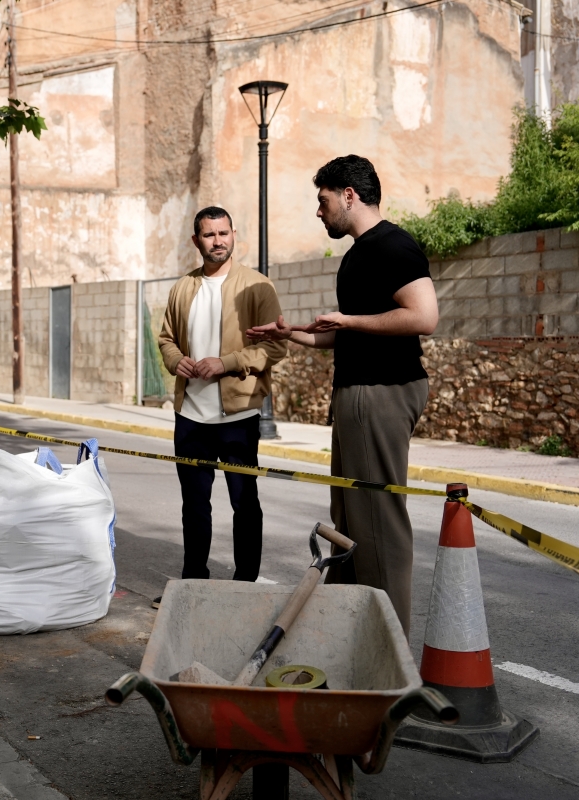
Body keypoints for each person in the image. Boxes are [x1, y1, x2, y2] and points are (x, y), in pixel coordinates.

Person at [246, 155, 438, 637]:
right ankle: (348, 635)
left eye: (323, 200)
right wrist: (291, 333)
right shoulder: (359, 253)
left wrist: (349, 320)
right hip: (358, 394)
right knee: (349, 522)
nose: (319, 211)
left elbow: (424, 316)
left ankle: (387, 646)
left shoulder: (392, 245)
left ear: (349, 195)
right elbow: (345, 334)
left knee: (377, 525)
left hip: (381, 393)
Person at [154, 206, 287, 608]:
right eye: (209, 235)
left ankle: (245, 584)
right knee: (194, 506)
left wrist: (226, 363)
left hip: (238, 416)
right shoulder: (183, 288)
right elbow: (166, 338)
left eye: (224, 233)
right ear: (196, 240)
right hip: (190, 416)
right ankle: (194, 582)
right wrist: (176, 360)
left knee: (244, 503)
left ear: (234, 234)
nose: (218, 241)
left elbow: (275, 347)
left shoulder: (257, 286)